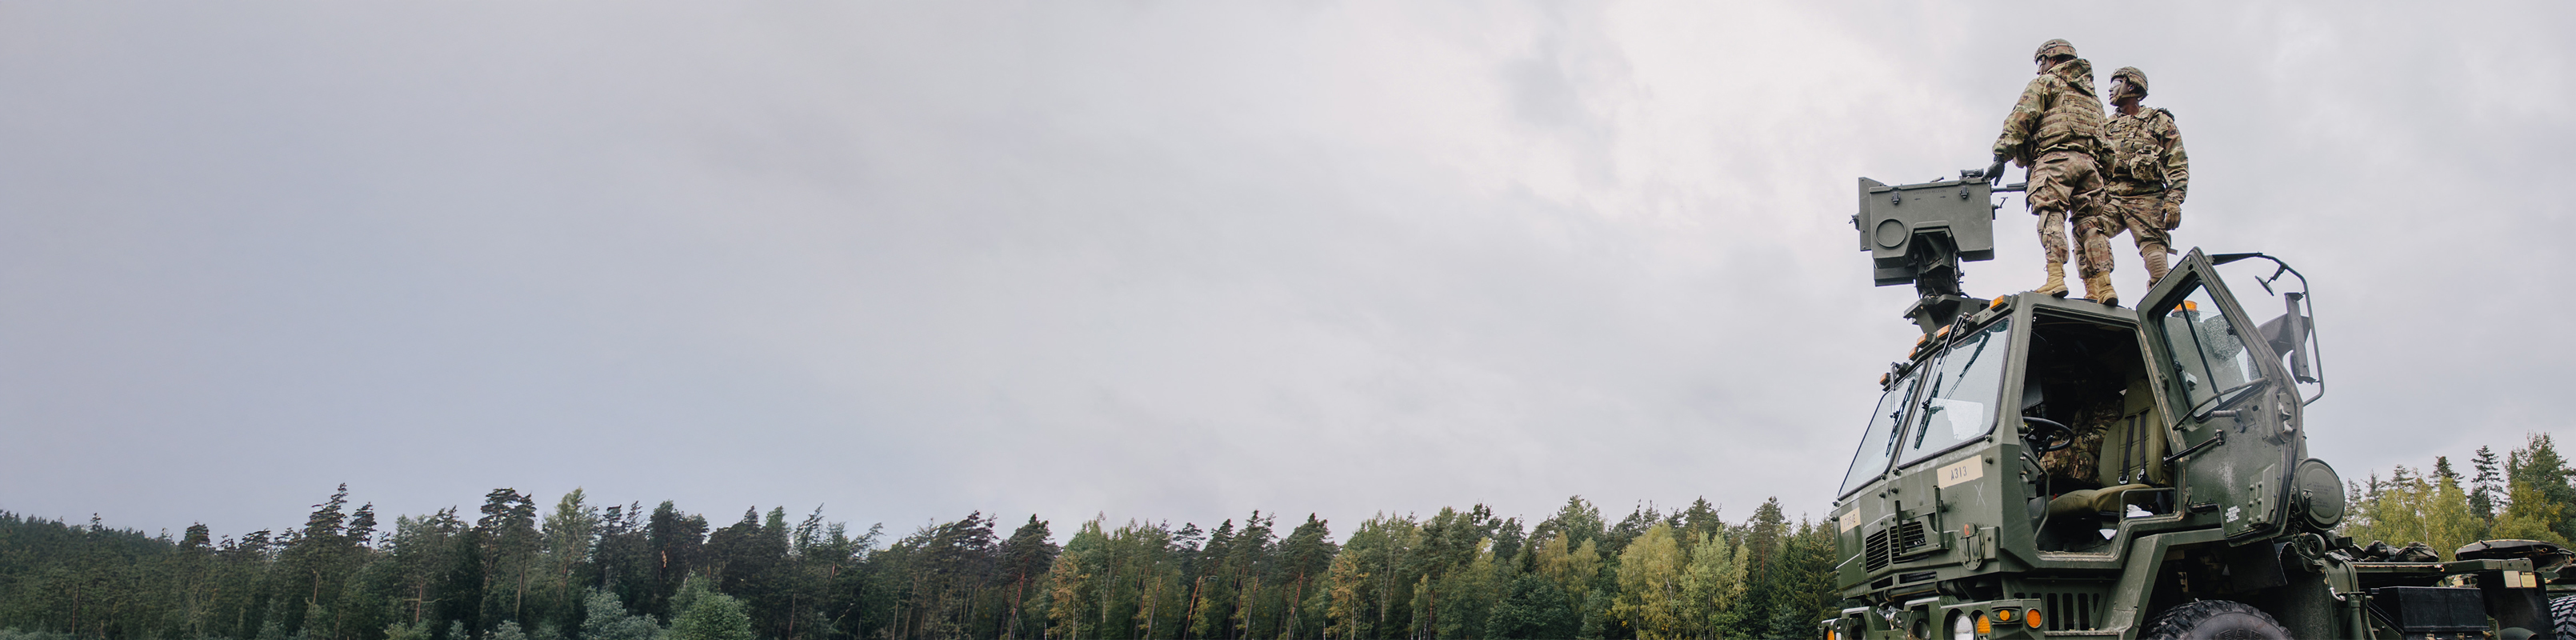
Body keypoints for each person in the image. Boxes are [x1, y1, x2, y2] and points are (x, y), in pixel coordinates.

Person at [1993, 39, 2116, 305]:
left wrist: (2000, 156)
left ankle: (2056, 278)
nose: (2039, 69)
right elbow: (2108, 146)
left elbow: (2021, 118)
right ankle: (2102, 286)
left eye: (2041, 62)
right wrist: (2102, 175)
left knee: (2051, 214)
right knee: (2091, 225)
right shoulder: (2092, 98)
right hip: (2090, 166)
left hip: (2055, 160)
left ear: (2051, 59)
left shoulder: (2047, 83)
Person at [2096, 66, 2190, 284]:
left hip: (2146, 196)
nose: (2110, 91)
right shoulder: (2105, 125)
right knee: (2089, 229)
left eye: (2115, 85)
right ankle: (2099, 289)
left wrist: (2173, 202)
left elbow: (2177, 163)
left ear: (2131, 86)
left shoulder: (2158, 120)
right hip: (2110, 197)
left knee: (2155, 252)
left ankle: (2159, 306)